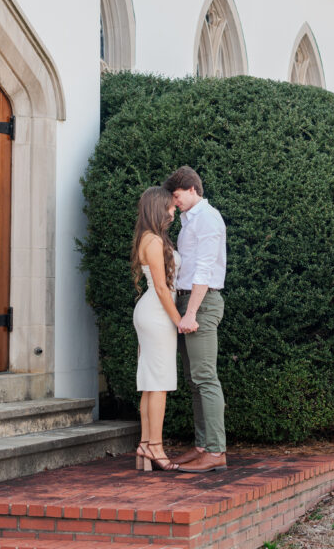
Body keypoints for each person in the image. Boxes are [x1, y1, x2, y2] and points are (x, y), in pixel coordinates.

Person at [163, 166, 228, 472]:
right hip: (190, 301)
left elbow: (203, 269)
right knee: (195, 381)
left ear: (191, 189)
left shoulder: (208, 219)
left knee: (205, 377)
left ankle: (216, 451)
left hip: (201, 304)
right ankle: (203, 446)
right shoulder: (190, 221)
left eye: (176, 196)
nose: (174, 203)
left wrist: (190, 313)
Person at [131, 185, 182, 472]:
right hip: (157, 313)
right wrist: (178, 320)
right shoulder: (152, 241)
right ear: (157, 208)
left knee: (151, 382)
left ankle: (145, 444)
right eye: (169, 206)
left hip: (152, 312)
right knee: (159, 383)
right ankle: (155, 447)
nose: (173, 210)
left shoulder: (150, 238)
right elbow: (162, 289)